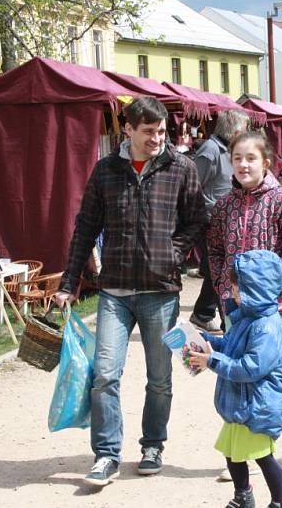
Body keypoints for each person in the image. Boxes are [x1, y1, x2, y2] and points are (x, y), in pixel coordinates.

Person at [54, 96, 206, 487]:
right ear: (129, 130)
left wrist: (173, 252)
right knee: (104, 375)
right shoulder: (106, 170)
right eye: (149, 132)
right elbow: (85, 227)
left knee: (160, 378)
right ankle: (106, 455)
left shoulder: (181, 168)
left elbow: (196, 220)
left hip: (161, 291)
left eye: (161, 131)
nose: (157, 138)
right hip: (115, 292)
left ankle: (153, 445)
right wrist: (69, 282)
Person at [207, 131, 282, 475]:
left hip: (276, 309)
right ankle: (241, 448)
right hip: (234, 308)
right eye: (238, 158)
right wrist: (223, 287)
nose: (243, 164)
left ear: (267, 162)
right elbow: (214, 250)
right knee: (240, 377)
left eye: (251, 158)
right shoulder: (225, 205)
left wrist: (264, 294)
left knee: (268, 375)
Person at [188, 250, 282, 508]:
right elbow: (230, 344)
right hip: (242, 405)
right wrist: (204, 342)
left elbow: (250, 367)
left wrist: (212, 360)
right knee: (232, 453)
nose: (233, 294)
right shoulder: (248, 319)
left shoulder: (267, 327)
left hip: (259, 406)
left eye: (238, 289)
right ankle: (243, 495)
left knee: (263, 457)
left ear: (256, 290)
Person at [190, 109, 250, 334]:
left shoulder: (229, 151)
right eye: (244, 130)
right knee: (221, 271)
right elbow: (193, 185)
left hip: (224, 222)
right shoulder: (211, 150)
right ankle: (225, 322)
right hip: (208, 222)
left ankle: (202, 314)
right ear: (234, 131)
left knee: (220, 270)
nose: (246, 135)